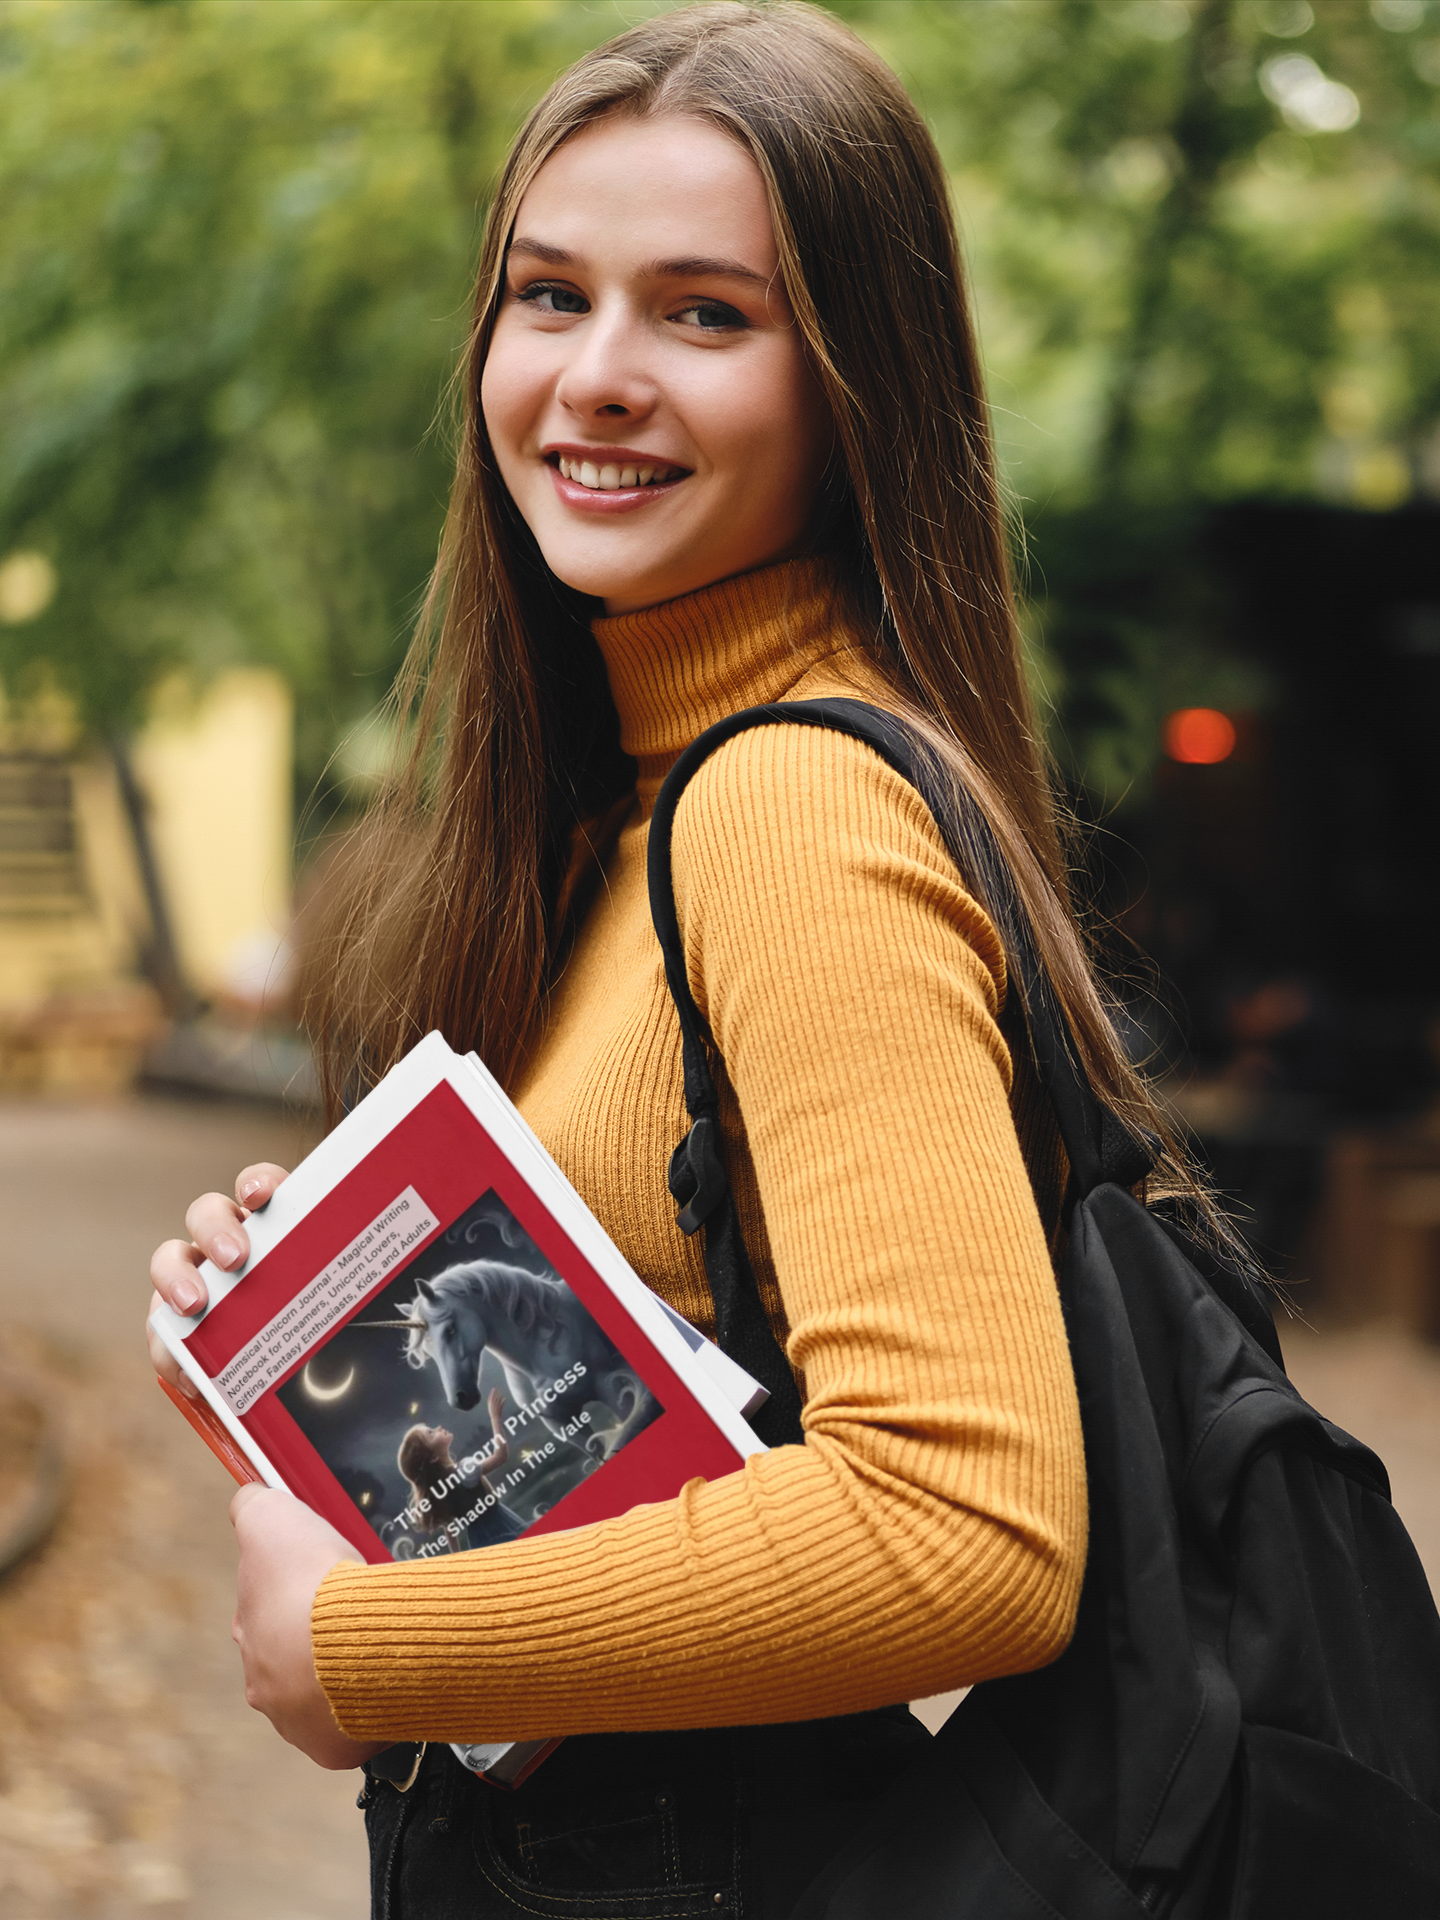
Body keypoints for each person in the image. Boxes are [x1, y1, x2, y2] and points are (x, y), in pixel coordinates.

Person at [146, 6, 1219, 1912]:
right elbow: (669, 1408)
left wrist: (365, 1652)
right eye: (550, 295)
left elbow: (965, 1528)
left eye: (705, 315)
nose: (597, 377)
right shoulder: (613, 815)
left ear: (858, 382)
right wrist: (311, 1346)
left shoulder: (789, 813)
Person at [389, 1387, 525, 1556]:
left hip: (478, 1541)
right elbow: (500, 1456)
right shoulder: (465, 1471)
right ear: (433, 1458)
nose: (438, 1427)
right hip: (501, 1526)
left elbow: (450, 1529)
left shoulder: (441, 1491)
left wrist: (457, 1555)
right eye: (431, 1433)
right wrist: (495, 1417)